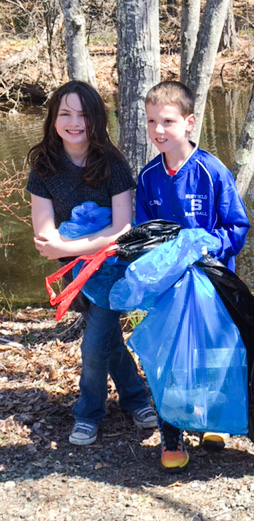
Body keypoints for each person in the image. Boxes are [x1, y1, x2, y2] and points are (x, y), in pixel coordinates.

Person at [26, 81, 156, 446]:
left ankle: (88, 413)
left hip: (112, 270)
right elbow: (44, 237)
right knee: (109, 339)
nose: (74, 122)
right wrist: (75, 248)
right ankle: (136, 398)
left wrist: (71, 245)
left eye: (83, 114)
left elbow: (123, 229)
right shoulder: (45, 167)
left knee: (94, 342)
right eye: (65, 113)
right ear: (53, 118)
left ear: (97, 119)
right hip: (73, 275)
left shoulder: (112, 163)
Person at [136, 80, 251, 472]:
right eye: (151, 121)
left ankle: (212, 419)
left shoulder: (212, 171)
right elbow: (143, 231)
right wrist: (159, 258)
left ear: (189, 122)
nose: (158, 131)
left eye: (167, 121)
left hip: (212, 283)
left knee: (214, 351)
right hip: (169, 286)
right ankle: (172, 431)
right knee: (170, 355)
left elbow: (238, 228)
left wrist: (205, 246)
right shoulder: (149, 176)